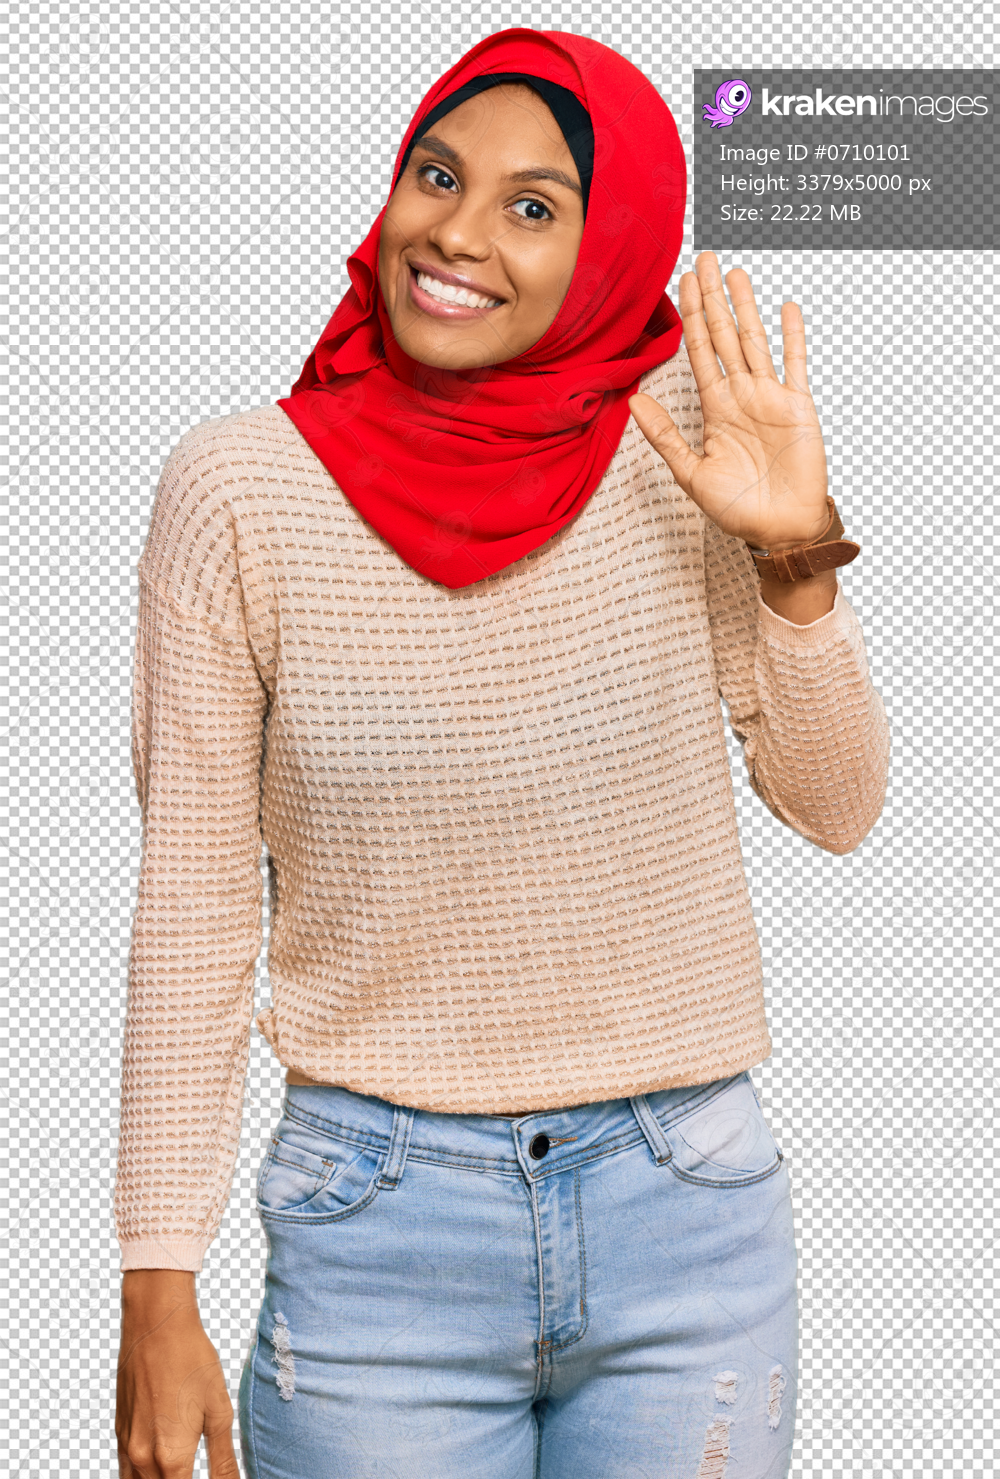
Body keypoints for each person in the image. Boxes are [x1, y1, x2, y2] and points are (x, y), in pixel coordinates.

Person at [114, 28, 889, 1479]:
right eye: (437, 174)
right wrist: (158, 1270)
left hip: (689, 1212)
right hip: (376, 1227)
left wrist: (795, 562)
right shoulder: (237, 491)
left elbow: (838, 807)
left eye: (535, 205)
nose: (457, 234)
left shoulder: (684, 447)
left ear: (612, 247)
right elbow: (194, 903)